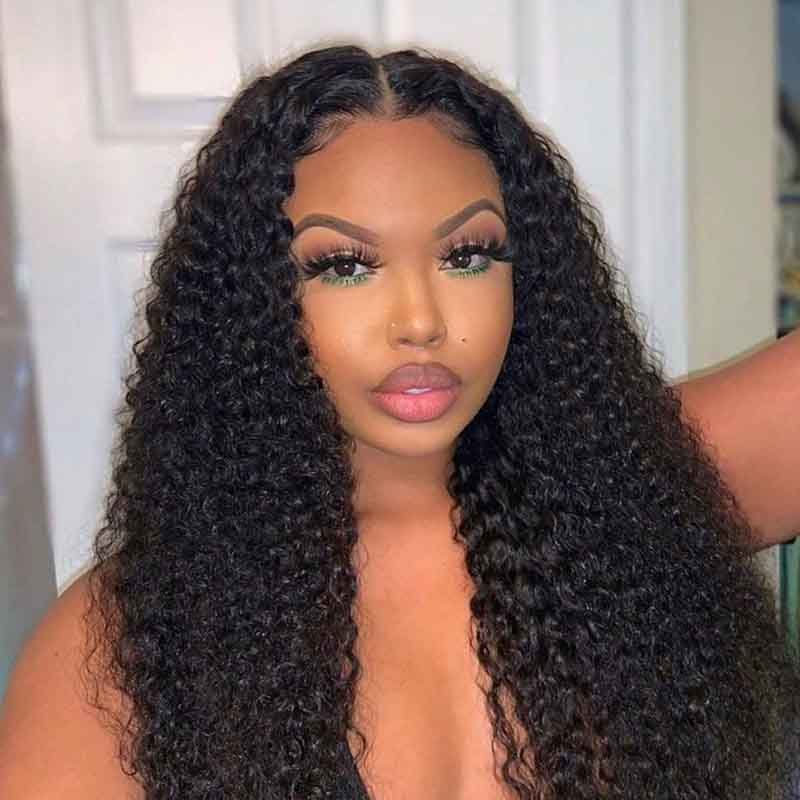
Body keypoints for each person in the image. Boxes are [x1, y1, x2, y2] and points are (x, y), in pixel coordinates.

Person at [1, 43, 799, 800]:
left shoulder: (635, 488)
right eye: (344, 265)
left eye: (468, 255)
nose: (420, 320)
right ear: (251, 301)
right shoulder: (126, 647)